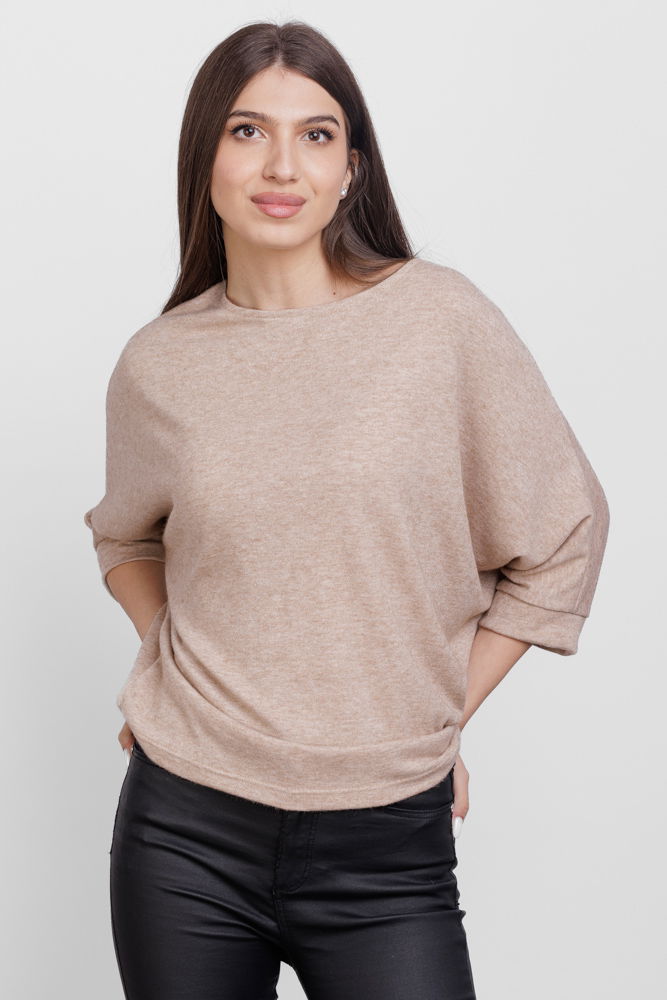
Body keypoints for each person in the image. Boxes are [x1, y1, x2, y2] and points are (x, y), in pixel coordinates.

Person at [83, 20, 610, 1000]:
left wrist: (436, 715)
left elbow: (562, 536)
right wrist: (167, 659)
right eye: (247, 131)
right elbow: (124, 533)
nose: (281, 164)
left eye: (316, 134)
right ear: (204, 157)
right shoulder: (159, 362)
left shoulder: (438, 320)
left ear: (351, 168)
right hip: (184, 832)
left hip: (385, 844)